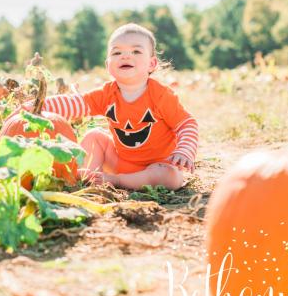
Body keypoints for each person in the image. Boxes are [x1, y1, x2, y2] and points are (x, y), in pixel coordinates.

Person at [39, 23, 198, 190]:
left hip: (156, 167)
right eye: (117, 52)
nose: (125, 56)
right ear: (108, 65)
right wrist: (40, 105)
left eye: (136, 51)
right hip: (120, 162)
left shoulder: (161, 95)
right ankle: (88, 177)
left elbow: (187, 124)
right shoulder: (107, 94)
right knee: (94, 136)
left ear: (151, 64)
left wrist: (184, 151)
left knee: (169, 177)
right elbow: (76, 104)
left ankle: (116, 181)